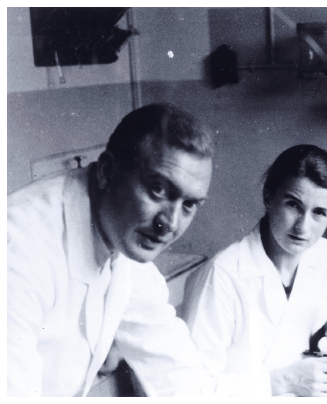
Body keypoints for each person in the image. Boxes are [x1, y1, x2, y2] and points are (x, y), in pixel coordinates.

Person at [7, 103, 215, 397]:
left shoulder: (125, 242)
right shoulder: (20, 250)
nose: (170, 224)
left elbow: (176, 373)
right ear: (106, 171)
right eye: (157, 189)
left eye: (189, 205)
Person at [178, 144, 327, 397]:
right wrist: (280, 382)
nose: (303, 226)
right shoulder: (223, 274)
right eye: (293, 205)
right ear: (269, 198)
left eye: (319, 213)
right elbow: (189, 392)